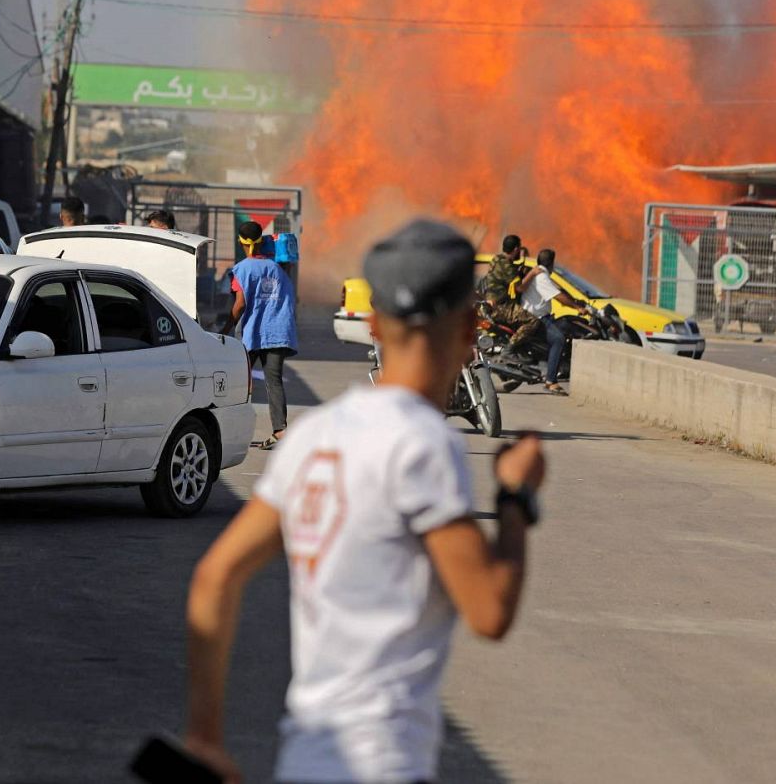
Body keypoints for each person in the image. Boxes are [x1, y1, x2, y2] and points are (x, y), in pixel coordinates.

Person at [183, 219, 546, 784]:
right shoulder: (425, 446)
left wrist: (204, 738)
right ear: (470, 332)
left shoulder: (313, 436)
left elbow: (214, 579)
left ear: (375, 324)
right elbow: (489, 611)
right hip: (383, 764)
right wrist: (517, 497)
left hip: (304, 759)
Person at [224, 221, 299, 449]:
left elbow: (239, 305)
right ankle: (280, 431)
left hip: (252, 334)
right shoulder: (277, 268)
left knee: (239, 383)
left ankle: (230, 433)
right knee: (273, 382)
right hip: (278, 331)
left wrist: (225, 329)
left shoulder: (241, 269)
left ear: (241, 242)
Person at [518, 248, 587, 396]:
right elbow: (558, 296)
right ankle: (550, 381)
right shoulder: (541, 276)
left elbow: (559, 291)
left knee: (565, 325)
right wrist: (577, 307)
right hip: (536, 318)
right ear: (551, 263)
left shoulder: (541, 275)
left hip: (542, 316)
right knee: (558, 339)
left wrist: (575, 300)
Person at [480, 234, 538, 354]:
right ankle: (509, 350)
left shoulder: (497, 259)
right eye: (519, 249)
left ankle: (520, 351)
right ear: (516, 249)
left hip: (494, 305)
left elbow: (511, 271)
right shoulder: (507, 265)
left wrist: (522, 261)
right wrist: (532, 273)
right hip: (501, 307)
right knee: (532, 321)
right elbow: (520, 288)